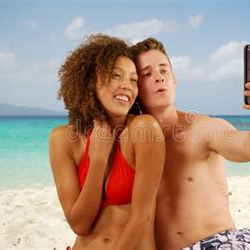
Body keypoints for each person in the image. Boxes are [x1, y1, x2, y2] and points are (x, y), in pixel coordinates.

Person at [131, 38, 250, 250]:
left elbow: (249, 148)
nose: (159, 78)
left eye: (164, 70)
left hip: (220, 243)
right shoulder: (129, 143)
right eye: (147, 74)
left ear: (174, 80)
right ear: (134, 86)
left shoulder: (202, 128)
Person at [48, 34, 165, 250]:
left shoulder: (144, 129)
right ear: (90, 81)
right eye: (116, 75)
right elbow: (80, 225)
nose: (127, 86)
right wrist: (98, 160)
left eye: (133, 79)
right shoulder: (62, 140)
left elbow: (142, 218)